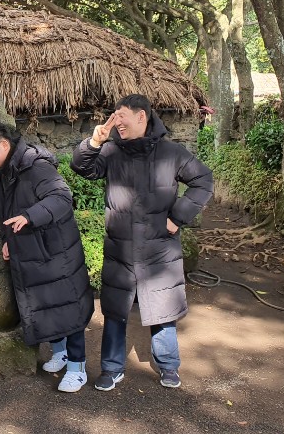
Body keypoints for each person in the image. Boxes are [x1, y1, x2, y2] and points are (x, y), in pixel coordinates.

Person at [71, 94, 213, 391]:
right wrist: (94, 142)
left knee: (162, 307)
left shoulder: (171, 152)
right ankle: (111, 368)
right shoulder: (110, 151)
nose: (116, 121)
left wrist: (177, 217)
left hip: (159, 247)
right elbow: (82, 168)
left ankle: (169, 365)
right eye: (114, 116)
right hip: (120, 248)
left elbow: (203, 180)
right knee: (115, 310)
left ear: (141, 117)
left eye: (121, 115)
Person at [0, 123, 94, 392]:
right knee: (46, 304)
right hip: (30, 249)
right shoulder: (4, 171)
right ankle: (61, 352)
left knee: (67, 307)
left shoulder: (36, 166)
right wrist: (7, 240)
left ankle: (78, 367)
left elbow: (62, 198)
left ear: (4, 145)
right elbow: (6, 210)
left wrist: (30, 216)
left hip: (56, 250)